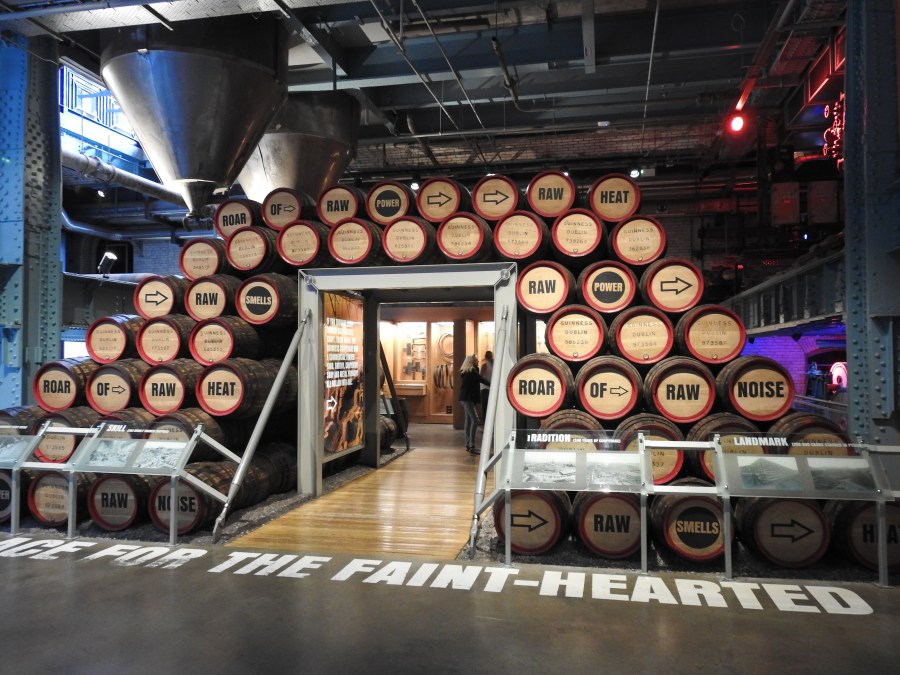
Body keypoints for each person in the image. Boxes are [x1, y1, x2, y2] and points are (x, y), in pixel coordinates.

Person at [458, 354, 489, 455]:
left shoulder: (466, 371)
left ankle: (468, 444)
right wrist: (494, 384)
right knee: (475, 419)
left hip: (465, 398)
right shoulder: (472, 371)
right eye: (476, 360)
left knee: (468, 420)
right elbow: (481, 380)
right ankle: (472, 445)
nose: (478, 361)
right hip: (468, 399)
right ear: (471, 362)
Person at [479, 350, 493, 424]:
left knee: (485, 408)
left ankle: (485, 424)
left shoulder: (484, 365)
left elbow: (480, 377)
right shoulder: (494, 364)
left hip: (485, 388)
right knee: (490, 407)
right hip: (492, 388)